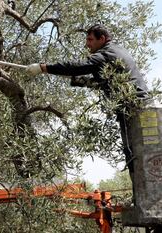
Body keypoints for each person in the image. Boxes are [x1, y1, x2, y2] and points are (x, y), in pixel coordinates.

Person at [24, 24, 148, 190]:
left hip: (132, 108)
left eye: (90, 39)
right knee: (142, 155)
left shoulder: (105, 53)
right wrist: (81, 82)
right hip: (139, 106)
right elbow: (106, 81)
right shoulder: (116, 51)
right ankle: (142, 196)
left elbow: (78, 66)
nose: (87, 44)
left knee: (134, 155)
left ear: (102, 39)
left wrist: (44, 68)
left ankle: (144, 198)